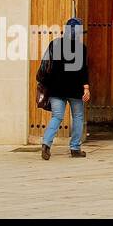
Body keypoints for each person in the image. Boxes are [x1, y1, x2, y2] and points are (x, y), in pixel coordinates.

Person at [37, 18, 91, 159]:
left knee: (57, 116)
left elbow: (46, 65)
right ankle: (75, 148)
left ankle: (46, 144)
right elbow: (83, 70)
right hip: (75, 89)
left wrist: (46, 84)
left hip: (57, 88)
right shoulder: (81, 48)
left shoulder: (54, 44)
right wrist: (86, 88)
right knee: (78, 117)